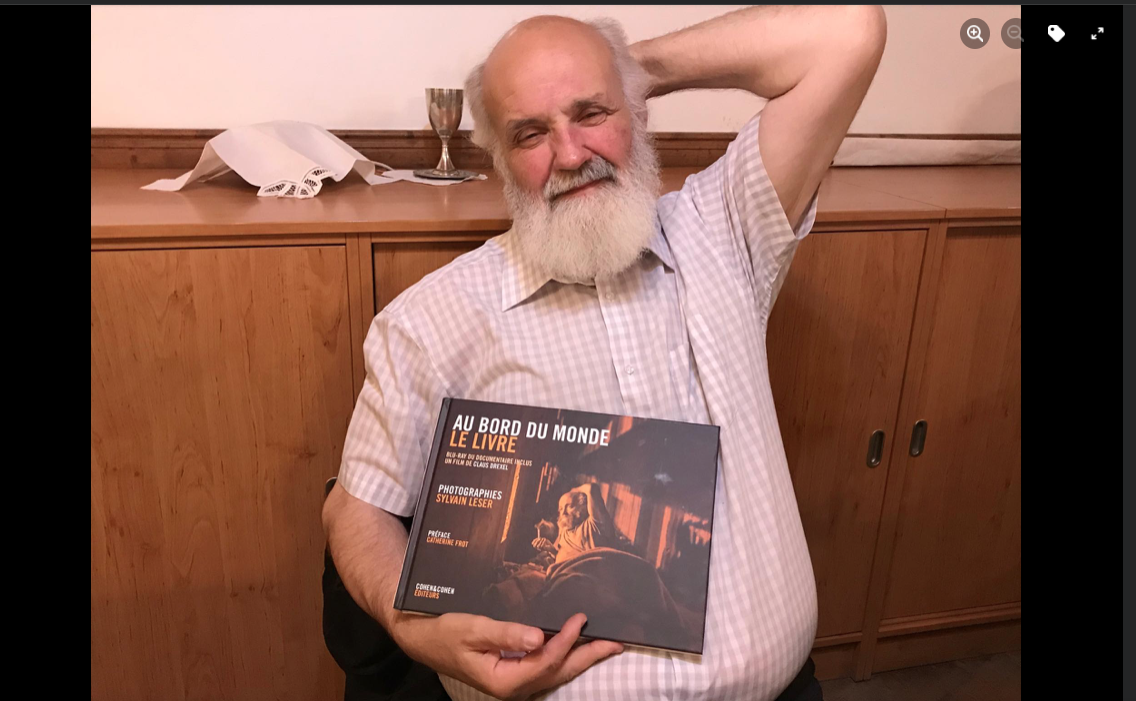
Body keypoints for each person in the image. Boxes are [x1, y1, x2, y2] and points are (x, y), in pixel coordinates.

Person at [322, 6, 886, 701]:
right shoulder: (429, 320)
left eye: (591, 112)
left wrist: (627, 65)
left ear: (637, 113)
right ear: (500, 159)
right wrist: (411, 625)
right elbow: (354, 510)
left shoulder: (724, 231)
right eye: (530, 132)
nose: (569, 153)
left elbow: (847, 31)